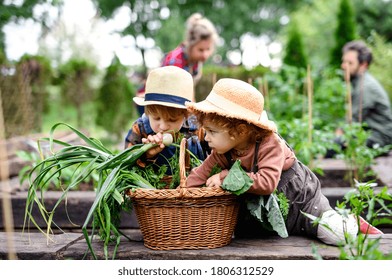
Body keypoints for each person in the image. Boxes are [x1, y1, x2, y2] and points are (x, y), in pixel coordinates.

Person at [185, 78, 382, 246]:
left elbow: (267, 183)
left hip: (302, 204)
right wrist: (182, 194)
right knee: (246, 238)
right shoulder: (223, 150)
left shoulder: (269, 144)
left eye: (212, 132)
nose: (206, 138)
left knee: (336, 234)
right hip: (270, 213)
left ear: (241, 131)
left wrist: (226, 176)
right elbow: (200, 174)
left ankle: (350, 222)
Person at [124, 66, 207, 175]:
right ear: (148, 112)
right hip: (152, 192)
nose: (163, 126)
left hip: (192, 190)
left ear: (186, 115)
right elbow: (125, 165)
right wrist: (146, 154)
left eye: (172, 120)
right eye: (156, 118)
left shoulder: (198, 130)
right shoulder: (140, 129)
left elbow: (217, 158)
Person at [135, 13, 218, 116]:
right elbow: (173, 93)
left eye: (208, 49)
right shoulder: (176, 61)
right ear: (190, 45)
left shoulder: (195, 63)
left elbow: (189, 91)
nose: (205, 55)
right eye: (200, 50)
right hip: (150, 101)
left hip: (170, 101)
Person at [341, 40, 392, 149]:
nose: (344, 66)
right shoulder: (361, 82)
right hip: (372, 135)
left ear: (363, 65)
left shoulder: (365, 87)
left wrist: (335, 139)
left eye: (350, 63)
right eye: (343, 62)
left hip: (379, 139)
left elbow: (351, 122)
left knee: (332, 146)